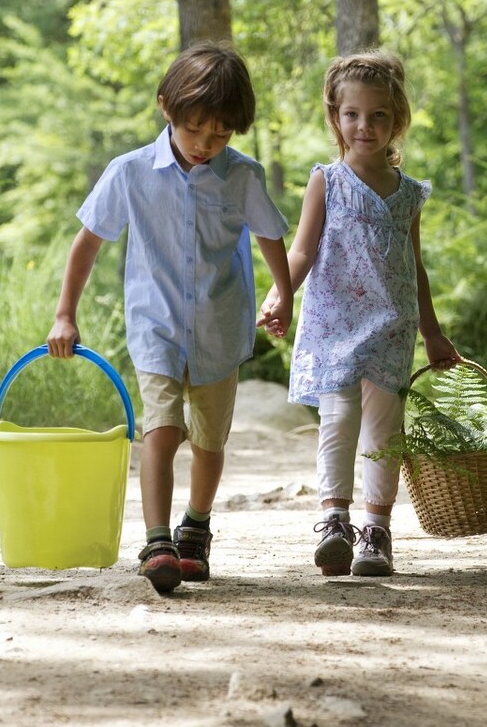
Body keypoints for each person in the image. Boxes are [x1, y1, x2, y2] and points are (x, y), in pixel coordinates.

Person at [48, 42, 293, 594]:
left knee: (209, 441)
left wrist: (283, 293)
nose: (207, 145)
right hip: (155, 325)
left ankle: (195, 530)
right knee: (159, 431)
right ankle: (157, 540)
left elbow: (269, 234)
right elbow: (86, 244)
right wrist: (66, 314)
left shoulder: (242, 176)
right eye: (196, 130)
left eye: (221, 135)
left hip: (219, 327)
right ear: (167, 108)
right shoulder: (130, 172)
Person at [260, 50, 460, 578]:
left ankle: (377, 531)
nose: (364, 126)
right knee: (339, 419)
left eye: (377, 116)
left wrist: (433, 333)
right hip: (333, 321)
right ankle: (334, 519)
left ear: (397, 121)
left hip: (391, 324)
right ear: (335, 118)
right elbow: (301, 250)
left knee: (383, 428)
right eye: (352, 115)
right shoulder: (327, 181)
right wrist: (280, 294)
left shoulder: (409, 194)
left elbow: (414, 267)